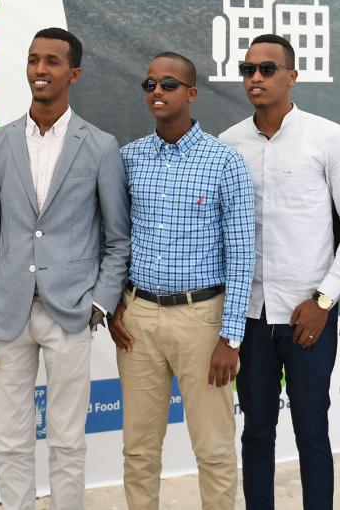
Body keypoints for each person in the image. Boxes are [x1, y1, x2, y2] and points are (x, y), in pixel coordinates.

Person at [0, 27, 129, 510]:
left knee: (67, 438)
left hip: (71, 312)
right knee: (11, 438)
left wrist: (98, 304)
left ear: (73, 73)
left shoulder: (99, 145)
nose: (40, 69)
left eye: (53, 61)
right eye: (34, 59)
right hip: (5, 312)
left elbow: (118, 238)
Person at [218, 34, 340, 510]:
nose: (256, 79)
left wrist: (324, 300)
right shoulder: (228, 145)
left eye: (267, 69)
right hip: (250, 315)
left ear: (291, 75)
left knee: (312, 432)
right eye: (248, 70)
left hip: (310, 315)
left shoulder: (327, 138)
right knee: (256, 433)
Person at [111, 51, 254, 510]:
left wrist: (230, 338)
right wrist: (113, 305)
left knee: (213, 449)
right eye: (150, 84)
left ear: (192, 94)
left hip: (202, 320)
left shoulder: (224, 161)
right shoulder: (128, 159)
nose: (157, 91)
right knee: (138, 449)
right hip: (138, 318)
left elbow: (242, 253)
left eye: (169, 84)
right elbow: (113, 239)